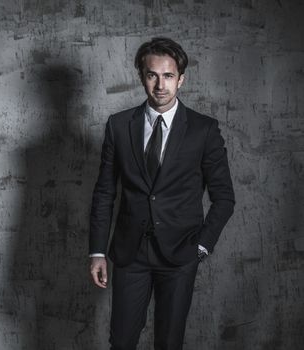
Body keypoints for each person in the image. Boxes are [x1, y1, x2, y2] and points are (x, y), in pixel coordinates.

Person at [88, 37, 235, 350]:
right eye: (152, 75)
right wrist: (98, 251)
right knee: (122, 341)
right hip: (130, 254)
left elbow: (224, 198)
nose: (160, 85)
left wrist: (202, 246)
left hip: (181, 253)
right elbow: (104, 193)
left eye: (168, 76)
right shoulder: (118, 125)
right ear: (142, 76)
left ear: (181, 79)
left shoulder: (203, 130)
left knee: (169, 343)